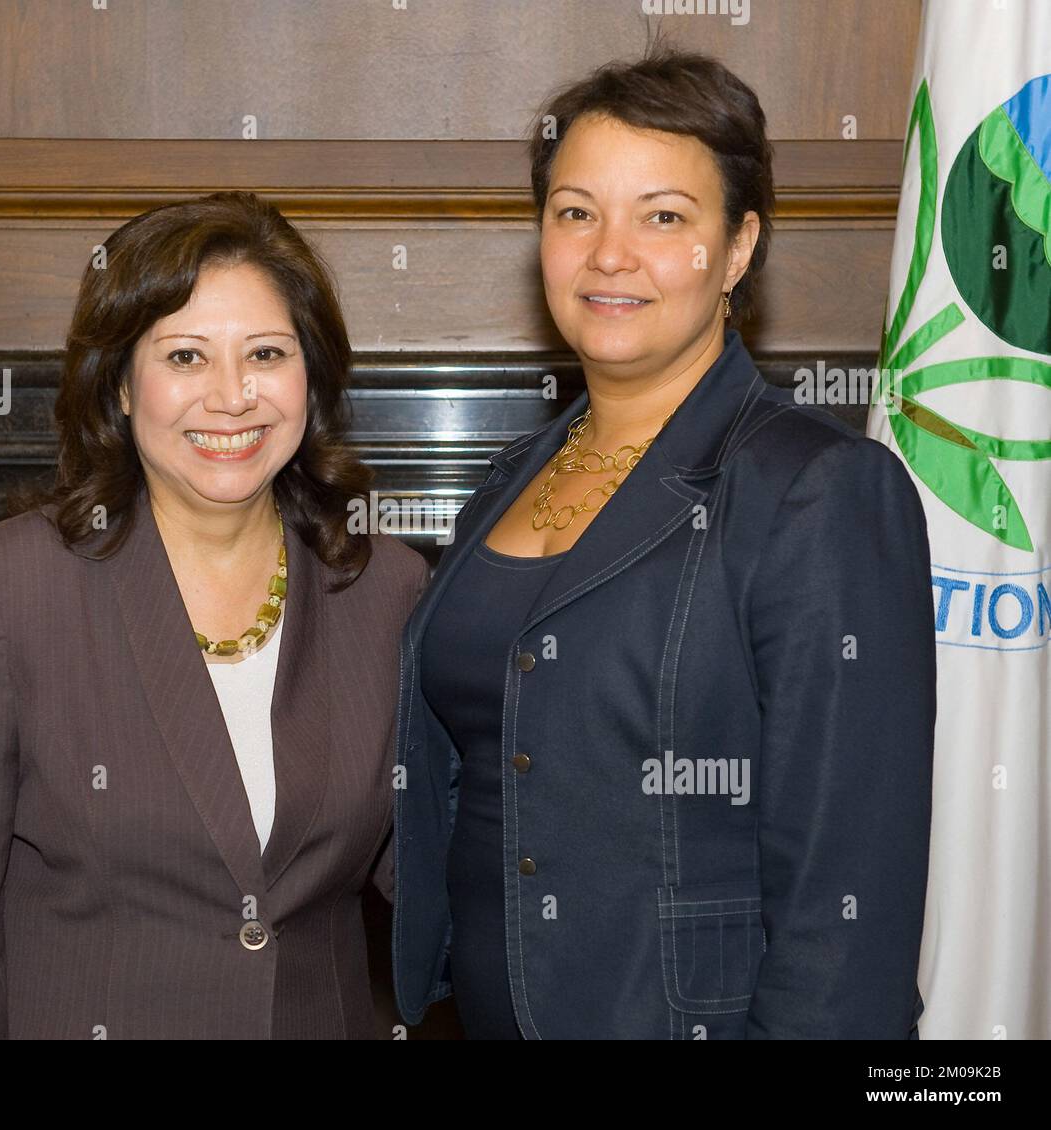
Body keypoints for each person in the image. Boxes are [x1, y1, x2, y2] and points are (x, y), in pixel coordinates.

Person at [391, 47, 936, 1039]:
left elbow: (847, 896)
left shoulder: (819, 491)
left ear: (737, 249)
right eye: (574, 210)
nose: (609, 253)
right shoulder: (505, 479)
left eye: (663, 216)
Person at [0, 192, 428, 1039]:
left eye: (264, 353)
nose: (230, 396)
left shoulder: (386, 587)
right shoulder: (4, 592)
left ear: (310, 377)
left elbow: (434, 883)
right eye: (184, 356)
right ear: (119, 384)